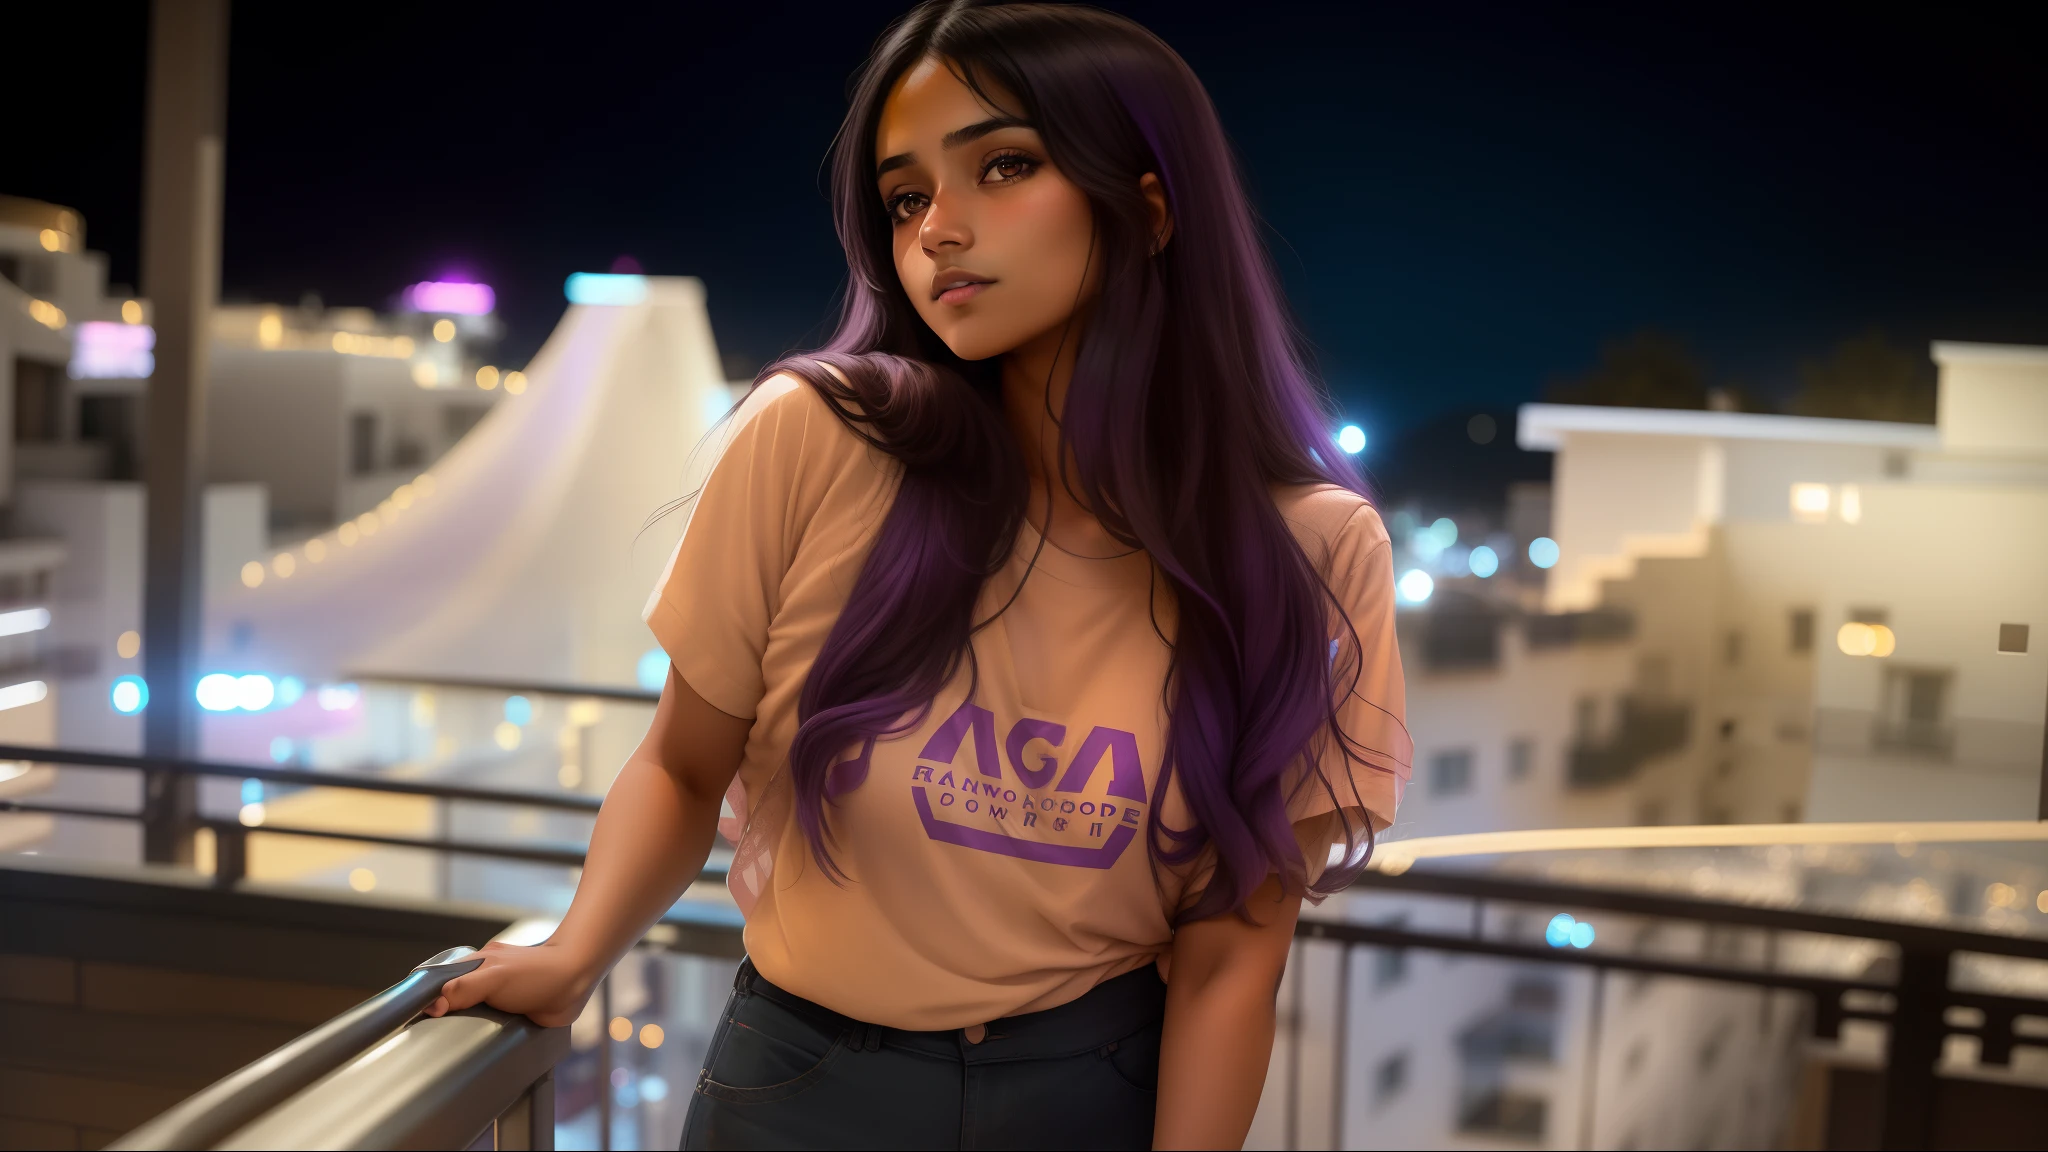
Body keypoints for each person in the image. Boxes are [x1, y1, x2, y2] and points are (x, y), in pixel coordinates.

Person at [428, 2, 1410, 1147]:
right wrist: (577, 950)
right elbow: (683, 766)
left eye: (1002, 166)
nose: (939, 228)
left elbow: (1230, 959)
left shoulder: (1308, 552)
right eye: (906, 197)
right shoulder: (815, 437)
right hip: (795, 1085)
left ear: (1146, 208)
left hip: (1092, 1093)